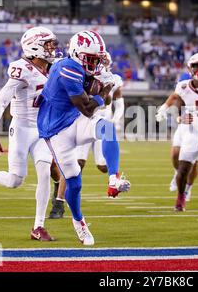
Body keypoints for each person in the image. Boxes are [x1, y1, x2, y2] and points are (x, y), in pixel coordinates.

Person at [0, 26, 60, 242]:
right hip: (21, 129)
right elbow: (1, 101)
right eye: (48, 44)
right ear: (35, 46)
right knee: (15, 181)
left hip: (42, 129)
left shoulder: (53, 68)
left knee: (44, 173)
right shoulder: (22, 69)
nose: (52, 48)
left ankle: (38, 226)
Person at [36, 30, 131, 245]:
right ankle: (79, 222)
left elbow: (100, 102)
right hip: (56, 131)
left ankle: (114, 177)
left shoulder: (81, 67)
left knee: (107, 127)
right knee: (74, 182)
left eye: (96, 59)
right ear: (77, 54)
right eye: (90, 59)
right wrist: (104, 88)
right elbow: (89, 107)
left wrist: (103, 82)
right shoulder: (67, 68)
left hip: (74, 119)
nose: (94, 63)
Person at [48, 51, 126, 219]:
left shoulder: (112, 79)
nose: (99, 65)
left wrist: (115, 120)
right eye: (97, 61)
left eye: (102, 63)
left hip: (100, 121)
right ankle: (59, 203)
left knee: (102, 166)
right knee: (76, 163)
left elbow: (115, 104)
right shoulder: (81, 74)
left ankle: (114, 178)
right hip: (81, 121)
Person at [157, 53, 198, 211]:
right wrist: (175, 116)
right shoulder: (184, 86)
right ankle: (181, 197)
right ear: (190, 68)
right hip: (192, 129)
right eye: (196, 66)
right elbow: (178, 104)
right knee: (183, 166)